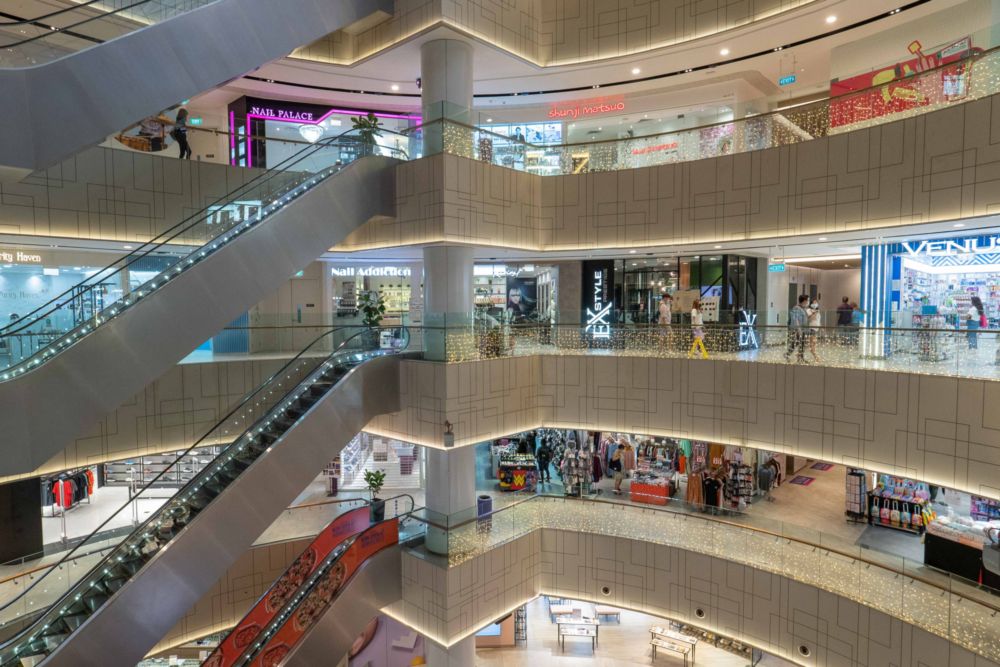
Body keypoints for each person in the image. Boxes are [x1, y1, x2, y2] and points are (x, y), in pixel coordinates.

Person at [785, 295, 809, 362]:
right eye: (808, 300)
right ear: (804, 301)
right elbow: (796, 320)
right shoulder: (797, 308)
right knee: (796, 343)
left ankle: (800, 357)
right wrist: (799, 330)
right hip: (798, 330)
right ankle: (788, 354)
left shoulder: (803, 308)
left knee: (801, 343)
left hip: (803, 329)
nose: (808, 302)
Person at [806, 296, 822, 361]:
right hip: (812, 328)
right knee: (812, 343)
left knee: (813, 343)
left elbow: (818, 320)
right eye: (814, 302)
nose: (815, 304)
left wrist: (820, 326)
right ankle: (816, 357)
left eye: (816, 302)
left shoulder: (818, 311)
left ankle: (799, 354)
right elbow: (810, 318)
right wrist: (814, 312)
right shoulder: (809, 310)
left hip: (816, 328)